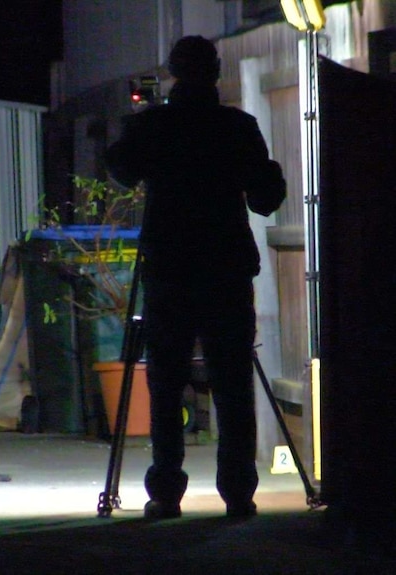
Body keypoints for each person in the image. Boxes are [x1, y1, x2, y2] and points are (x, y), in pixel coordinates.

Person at [105, 35, 286, 520]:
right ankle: (238, 494)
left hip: (170, 269)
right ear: (217, 71)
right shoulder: (237, 127)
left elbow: (120, 170)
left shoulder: (154, 126)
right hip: (225, 269)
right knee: (231, 382)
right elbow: (266, 199)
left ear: (172, 72)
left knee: (166, 383)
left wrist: (130, 133)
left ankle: (166, 492)